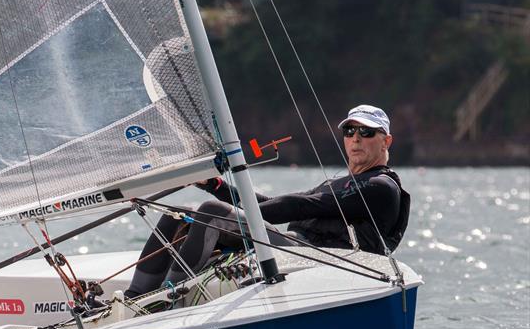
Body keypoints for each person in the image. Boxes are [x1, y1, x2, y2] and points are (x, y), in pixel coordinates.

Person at [125, 105, 411, 298]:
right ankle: (136, 296)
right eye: (350, 132)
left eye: (366, 132)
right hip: (294, 249)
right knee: (182, 214)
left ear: (386, 142)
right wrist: (216, 185)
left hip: (326, 263)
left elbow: (300, 206)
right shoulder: (337, 182)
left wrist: (238, 216)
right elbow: (273, 203)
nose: (356, 139)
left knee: (211, 214)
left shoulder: (380, 186)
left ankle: (169, 297)